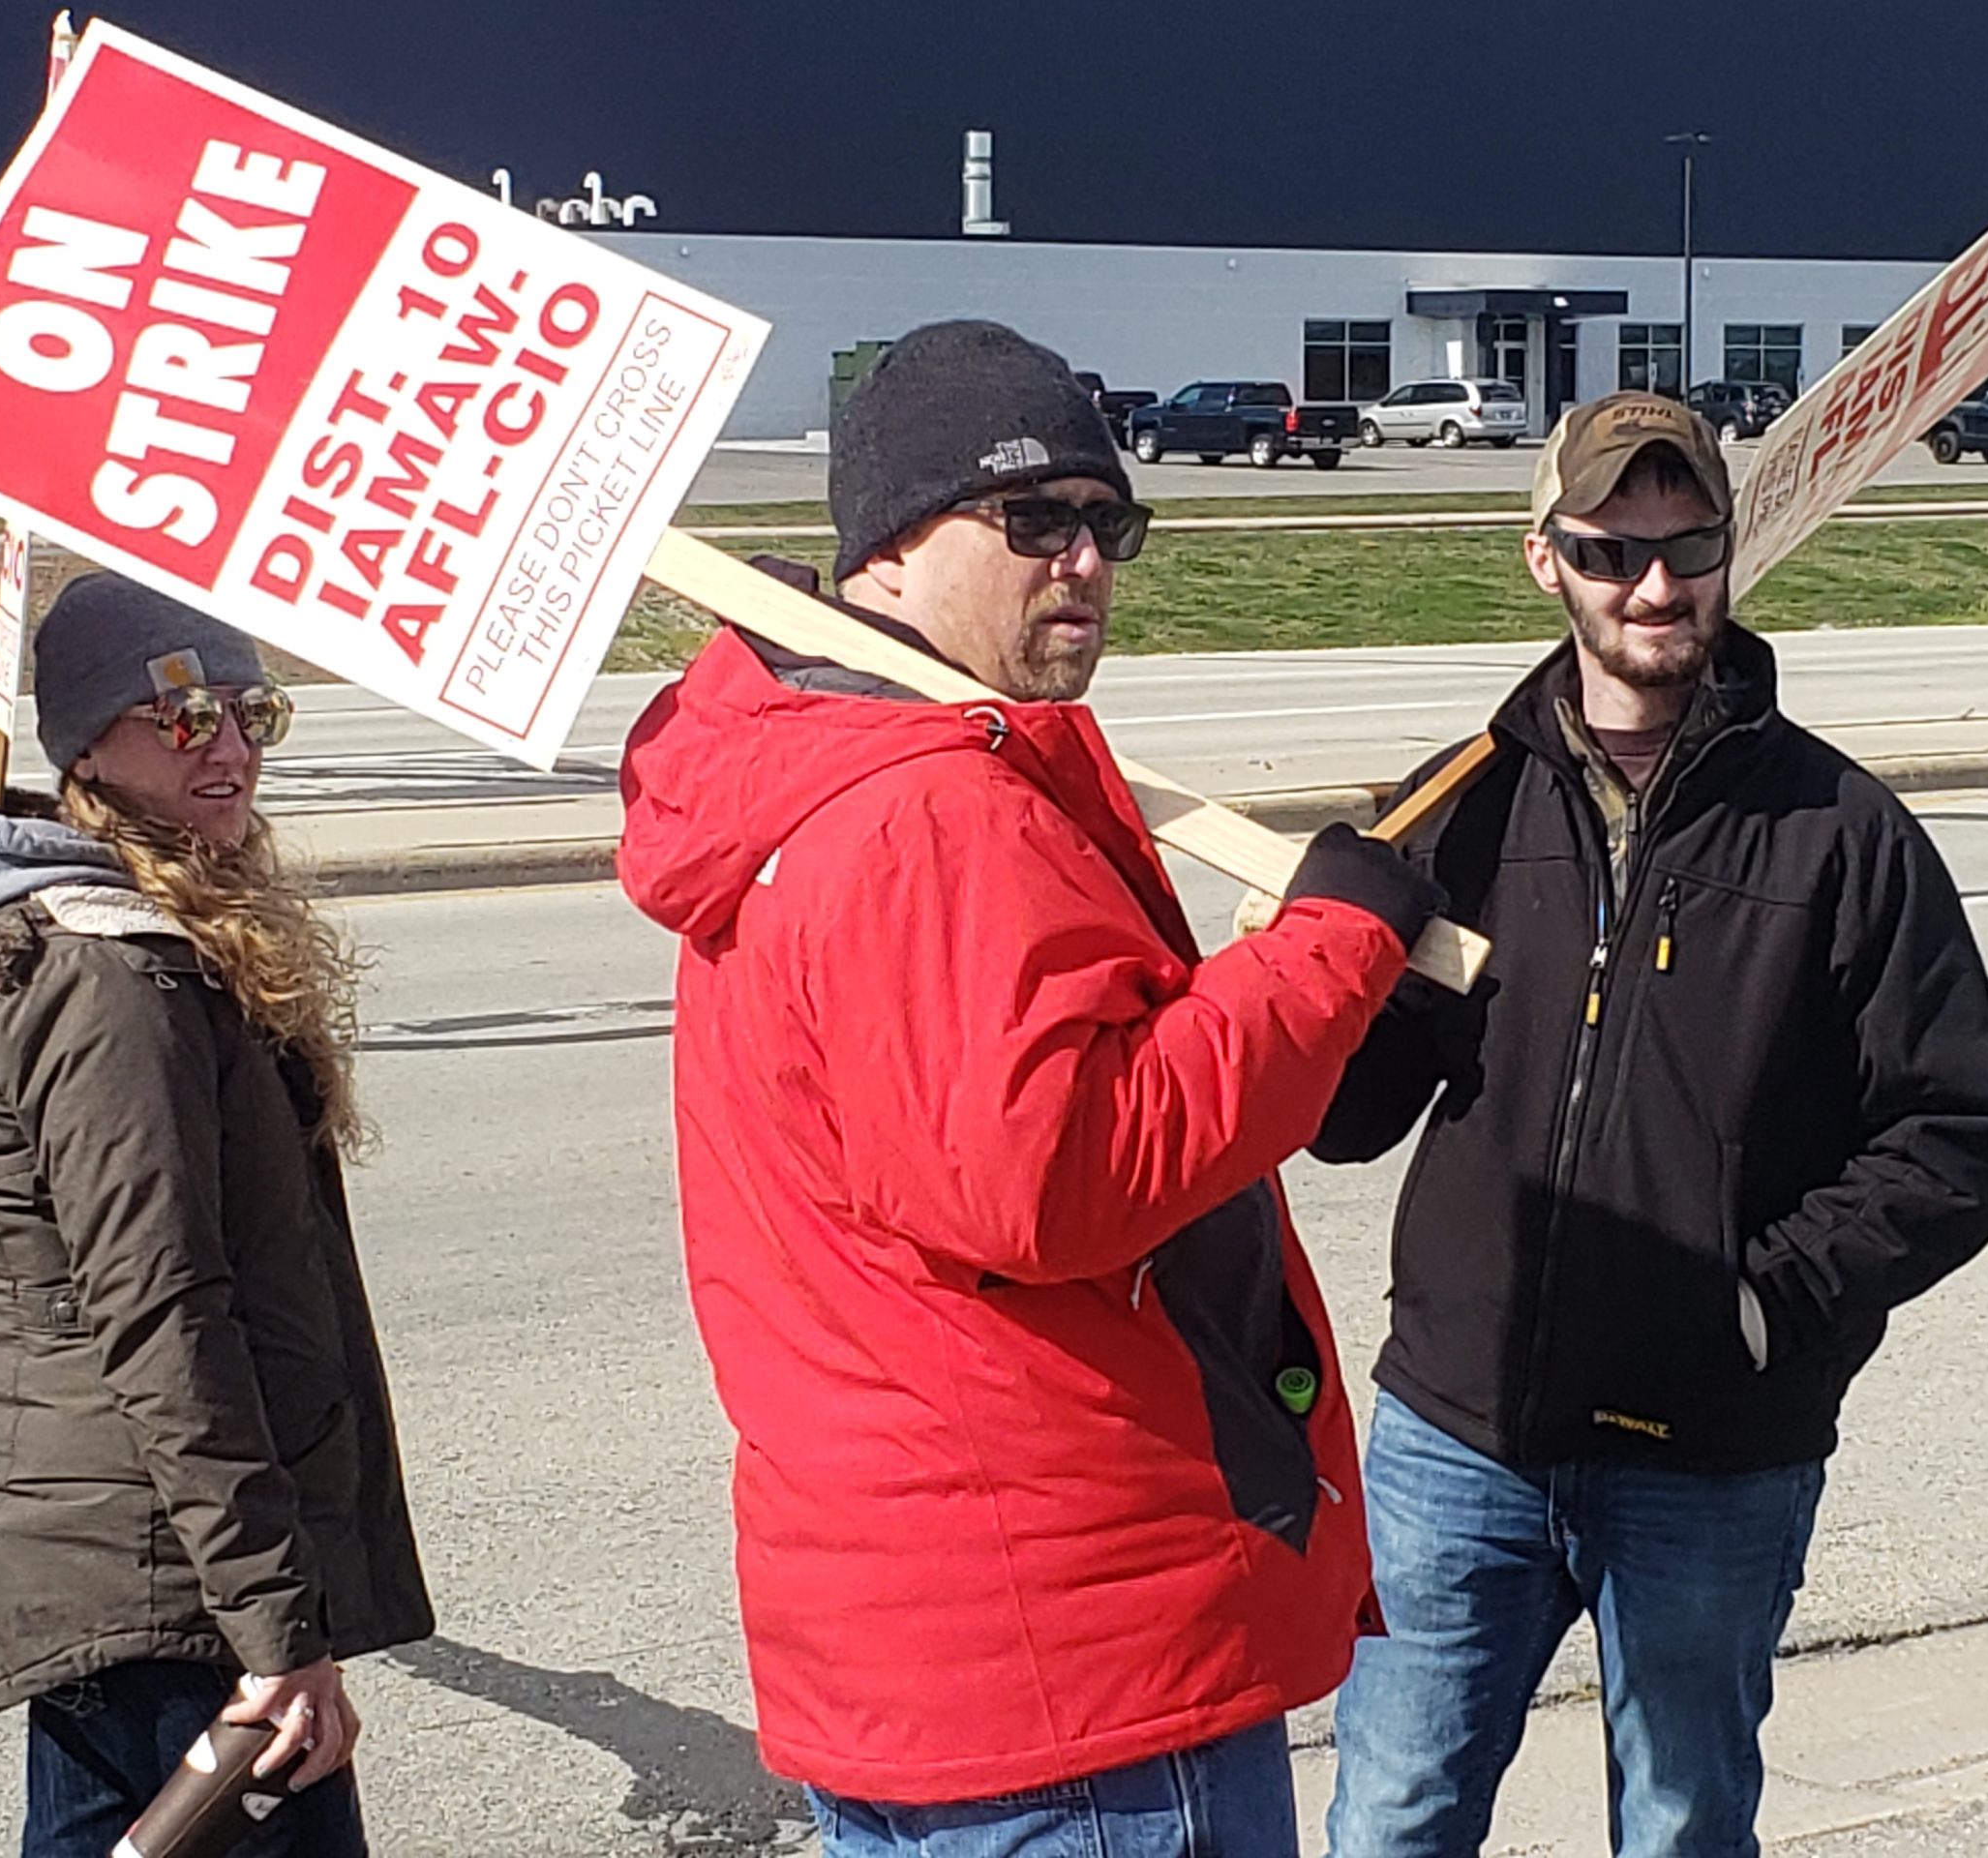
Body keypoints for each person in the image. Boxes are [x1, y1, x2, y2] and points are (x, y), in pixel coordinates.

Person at [616, 318, 1446, 1852]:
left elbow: (996, 1123)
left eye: (1106, 522)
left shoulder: (813, 769)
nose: (1082, 560)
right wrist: (1328, 952)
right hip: (1065, 1663)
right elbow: (1062, 1176)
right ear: (886, 548)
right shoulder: (930, 809)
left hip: (934, 1640)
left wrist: (1246, 981)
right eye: (1031, 520)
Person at [1311, 393, 1988, 1858]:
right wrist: (1317, 964)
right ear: (1545, 561)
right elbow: (1345, 1125)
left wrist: (1774, 1300)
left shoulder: (1842, 832)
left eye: (1688, 543)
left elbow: (1962, 1135)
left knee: (1686, 1825)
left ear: (1730, 547)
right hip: (1463, 1438)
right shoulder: (1459, 807)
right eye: (1609, 549)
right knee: (1393, 1818)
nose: (1654, 585)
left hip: (1716, 1453)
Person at [0, 574, 433, 1858]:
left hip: (117, 1557)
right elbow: (165, 1318)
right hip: (171, 1578)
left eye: (251, 712)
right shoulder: (111, 977)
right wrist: (277, 1630)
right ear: (85, 746)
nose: (228, 749)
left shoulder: (134, 935)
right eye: (180, 718)